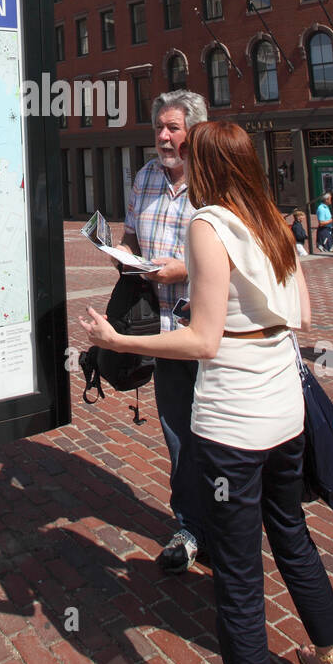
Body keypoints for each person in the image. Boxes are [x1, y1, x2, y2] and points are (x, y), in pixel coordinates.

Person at [82, 122, 333, 664]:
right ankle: (331, 659)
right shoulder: (269, 218)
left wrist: (116, 340)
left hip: (233, 422)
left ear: (206, 164)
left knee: (237, 579)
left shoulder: (207, 224)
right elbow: (304, 314)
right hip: (285, 410)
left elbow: (202, 340)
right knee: (292, 536)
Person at [118, 89, 208, 573]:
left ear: (192, 131)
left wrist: (185, 271)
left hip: (213, 335)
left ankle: (232, 524)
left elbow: (239, 254)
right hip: (163, 332)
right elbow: (133, 232)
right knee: (178, 434)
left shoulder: (215, 180)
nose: (164, 137)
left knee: (218, 436)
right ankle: (190, 527)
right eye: (160, 128)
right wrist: (123, 252)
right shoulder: (147, 177)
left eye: (173, 128)